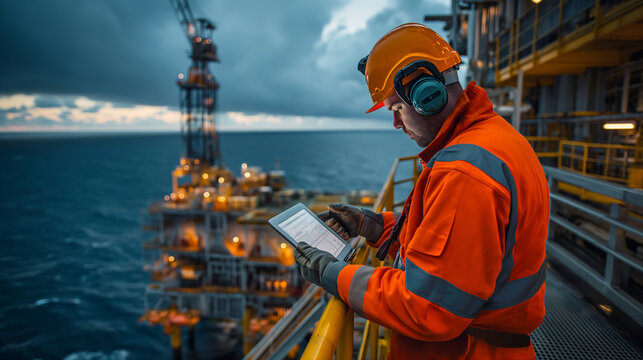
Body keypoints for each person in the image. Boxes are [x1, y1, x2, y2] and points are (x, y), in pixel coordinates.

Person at [294, 23, 549, 359]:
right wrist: (372, 225)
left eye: (397, 109)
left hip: (469, 352)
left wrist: (333, 274)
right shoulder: (488, 140)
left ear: (428, 97)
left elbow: (428, 307)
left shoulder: (466, 172)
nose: (397, 124)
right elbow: (452, 246)